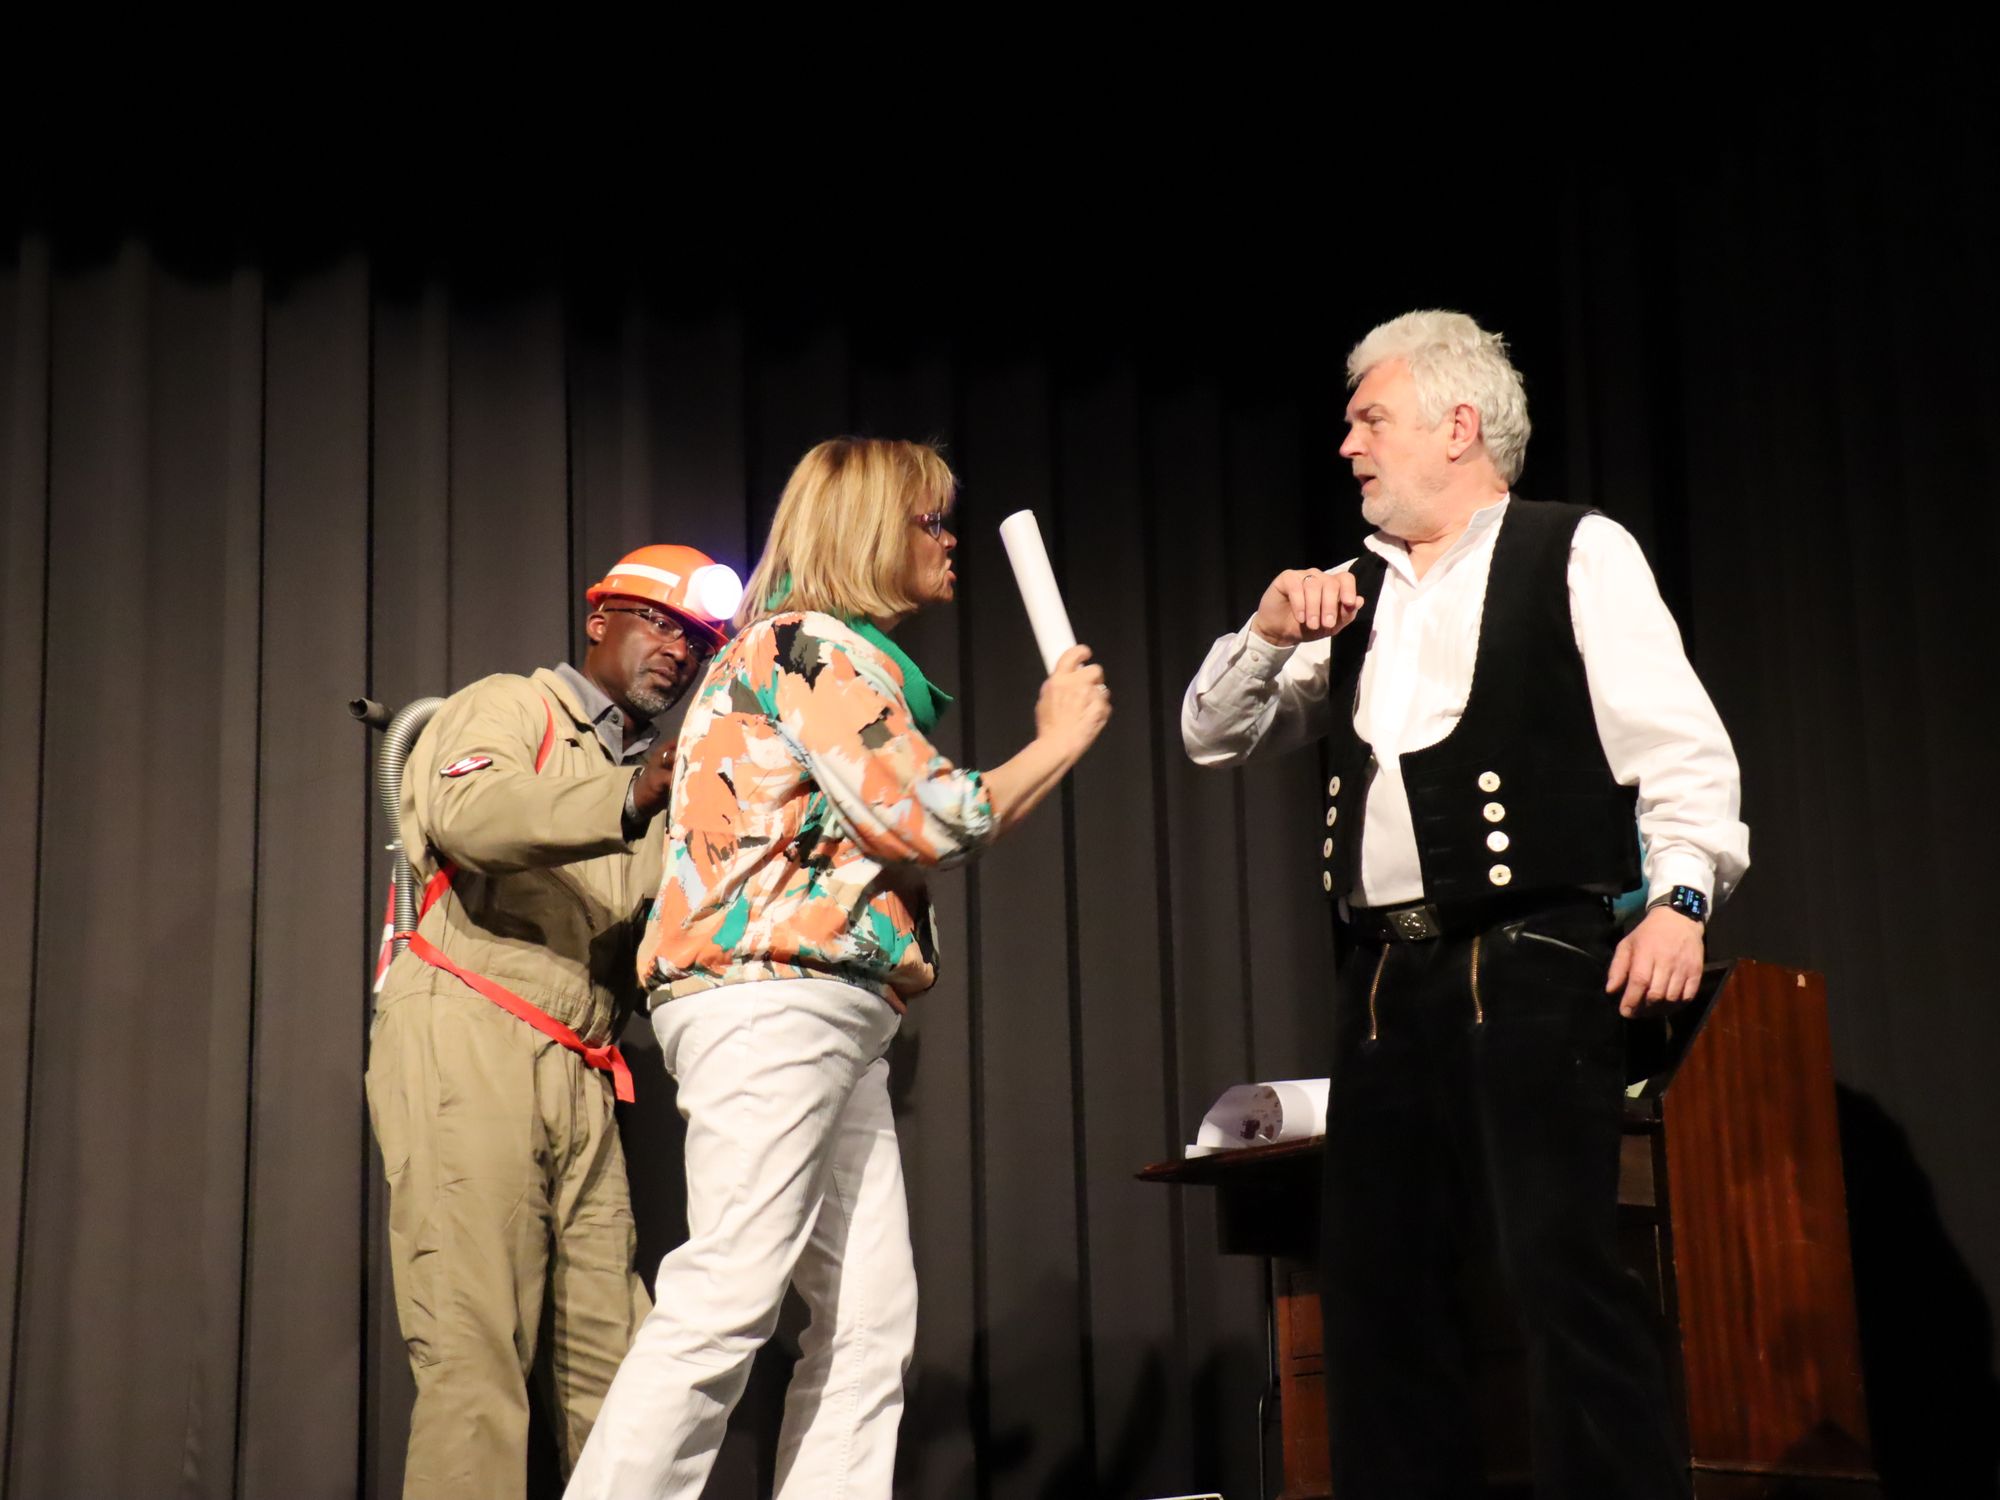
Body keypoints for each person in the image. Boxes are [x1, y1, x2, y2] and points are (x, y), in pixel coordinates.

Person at [1182, 310, 1750, 1500]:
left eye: (1368, 419)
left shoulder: (1572, 552)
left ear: (1455, 426)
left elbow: (1678, 747)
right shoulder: (1346, 596)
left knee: (1557, 1269)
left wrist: (1679, 899)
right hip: (1383, 981)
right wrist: (1262, 633)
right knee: (1377, 1295)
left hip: (1533, 957)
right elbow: (1211, 736)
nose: (1346, 445)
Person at [565, 438, 1112, 1499]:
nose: (948, 541)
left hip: (825, 1014)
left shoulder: (807, 653)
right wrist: (1055, 739)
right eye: (929, 521)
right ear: (868, 530)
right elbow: (929, 816)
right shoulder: (807, 648)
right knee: (727, 1294)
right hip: (773, 1002)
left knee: (867, 1319)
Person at [366, 544, 741, 1500]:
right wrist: (631, 795)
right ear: (599, 619)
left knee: (621, 1376)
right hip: (472, 1024)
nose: (680, 653)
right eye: (662, 624)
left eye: (699, 643)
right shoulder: (514, 706)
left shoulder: (662, 782)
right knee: (474, 1353)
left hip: (584, 1061)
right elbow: (469, 811)